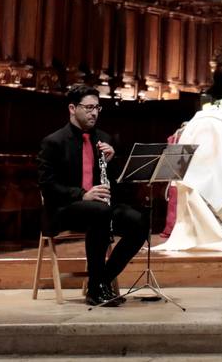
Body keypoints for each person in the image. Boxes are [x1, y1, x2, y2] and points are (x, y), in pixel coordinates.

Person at [37, 85, 150, 306]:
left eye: (97, 107)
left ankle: (100, 282)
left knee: (139, 222)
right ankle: (98, 287)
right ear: (72, 108)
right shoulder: (54, 142)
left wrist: (112, 161)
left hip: (101, 209)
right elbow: (47, 186)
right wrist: (82, 194)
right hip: (64, 209)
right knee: (99, 211)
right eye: (88, 107)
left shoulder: (104, 139)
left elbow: (115, 187)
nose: (94, 113)